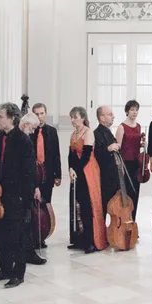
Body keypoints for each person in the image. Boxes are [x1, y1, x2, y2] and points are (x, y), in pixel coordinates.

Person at [0, 103, 35, 289]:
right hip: (0, 193)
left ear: (11, 118)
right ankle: (5, 269)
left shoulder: (23, 141)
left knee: (18, 235)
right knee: (2, 232)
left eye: (0, 116)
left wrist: (26, 199)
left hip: (17, 195)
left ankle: (18, 273)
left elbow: (29, 173)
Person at [68, 106, 106, 253]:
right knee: (77, 205)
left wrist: (76, 170)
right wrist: (70, 169)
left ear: (83, 118)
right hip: (77, 170)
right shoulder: (73, 134)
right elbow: (71, 155)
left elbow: (86, 155)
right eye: (71, 117)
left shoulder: (88, 132)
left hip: (88, 170)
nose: (72, 120)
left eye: (75, 117)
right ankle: (79, 239)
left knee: (88, 205)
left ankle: (92, 241)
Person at [30, 103, 62, 248]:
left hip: (48, 174)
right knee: (33, 205)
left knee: (45, 203)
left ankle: (42, 235)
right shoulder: (29, 132)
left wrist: (58, 174)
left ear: (46, 113)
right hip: (33, 174)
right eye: (36, 114)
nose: (39, 117)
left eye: (42, 113)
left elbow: (56, 154)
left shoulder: (52, 131)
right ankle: (32, 235)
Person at [18, 113, 48, 265]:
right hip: (20, 188)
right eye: (33, 128)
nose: (33, 131)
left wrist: (35, 185)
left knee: (27, 221)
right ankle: (25, 253)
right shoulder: (20, 139)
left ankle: (28, 251)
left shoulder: (26, 139)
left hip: (27, 187)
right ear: (25, 124)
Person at [93, 106, 122, 233]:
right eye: (110, 114)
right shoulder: (97, 133)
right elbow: (96, 154)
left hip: (113, 175)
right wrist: (108, 149)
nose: (113, 116)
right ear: (102, 118)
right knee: (104, 204)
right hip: (104, 176)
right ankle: (102, 232)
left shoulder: (108, 131)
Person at [116, 100, 143, 220]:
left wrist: (143, 144)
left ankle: (132, 223)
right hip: (125, 164)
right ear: (127, 111)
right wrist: (120, 166)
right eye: (132, 109)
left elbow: (136, 145)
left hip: (136, 163)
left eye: (136, 109)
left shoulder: (138, 126)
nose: (134, 112)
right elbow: (118, 148)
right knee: (125, 194)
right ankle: (124, 222)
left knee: (135, 193)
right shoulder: (122, 127)